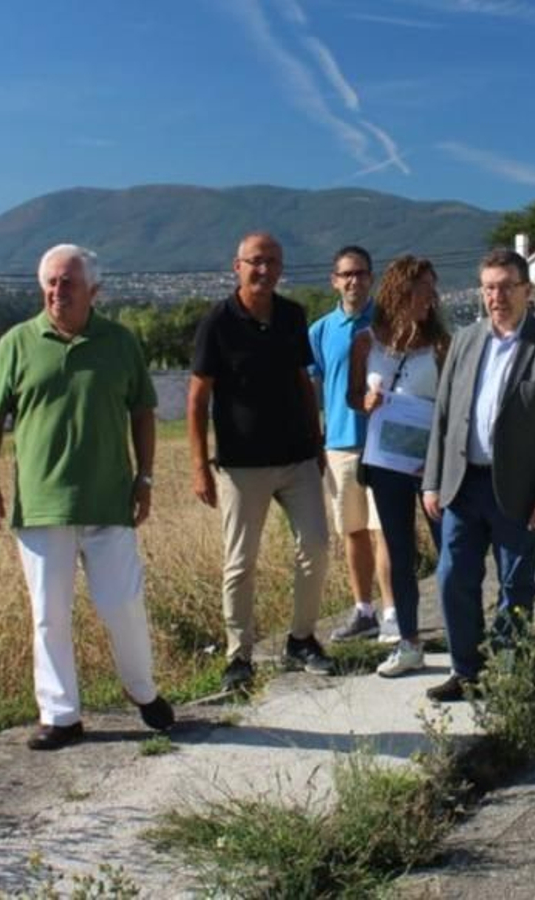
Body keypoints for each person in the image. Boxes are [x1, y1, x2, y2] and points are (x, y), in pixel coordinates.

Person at [0, 243, 174, 751]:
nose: (57, 291)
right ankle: (61, 714)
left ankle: (142, 691)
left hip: (110, 499)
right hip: (40, 504)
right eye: (50, 283)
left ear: (93, 291)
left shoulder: (120, 343)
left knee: (123, 602)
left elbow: (143, 413)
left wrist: (145, 478)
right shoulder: (17, 343)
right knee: (49, 612)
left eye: (68, 283)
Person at [421, 248, 535, 702]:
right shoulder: (465, 341)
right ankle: (467, 670)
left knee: (515, 584)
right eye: (489, 287)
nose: (497, 296)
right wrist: (432, 480)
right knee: (454, 577)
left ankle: (508, 673)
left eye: (507, 286)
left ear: (526, 291)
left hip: (519, 490)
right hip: (463, 483)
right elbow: (444, 415)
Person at [187, 231, 336, 694]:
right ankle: (239, 656)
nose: (264, 270)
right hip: (241, 464)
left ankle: (302, 638)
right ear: (237, 267)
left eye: (272, 261)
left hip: (296, 459)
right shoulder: (217, 322)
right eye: (256, 261)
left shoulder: (292, 315)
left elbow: (302, 383)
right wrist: (197, 466)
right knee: (240, 563)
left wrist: (317, 444)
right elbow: (197, 400)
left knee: (315, 545)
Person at [348, 255, 451, 677]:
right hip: (387, 461)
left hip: (432, 462)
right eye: (424, 286)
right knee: (400, 549)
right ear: (402, 290)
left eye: (433, 286)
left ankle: (463, 637)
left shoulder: (442, 343)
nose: (432, 295)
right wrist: (366, 401)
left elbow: (451, 401)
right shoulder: (366, 341)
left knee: (450, 547)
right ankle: (409, 641)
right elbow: (352, 396)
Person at [309, 246, 394, 644]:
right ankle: (364, 611)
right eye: (346, 274)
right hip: (341, 443)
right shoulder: (321, 330)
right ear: (334, 280)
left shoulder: (388, 323)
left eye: (360, 273)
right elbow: (314, 385)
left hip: (385, 441)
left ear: (371, 278)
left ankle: (393, 612)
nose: (353, 281)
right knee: (353, 530)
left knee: (386, 530)